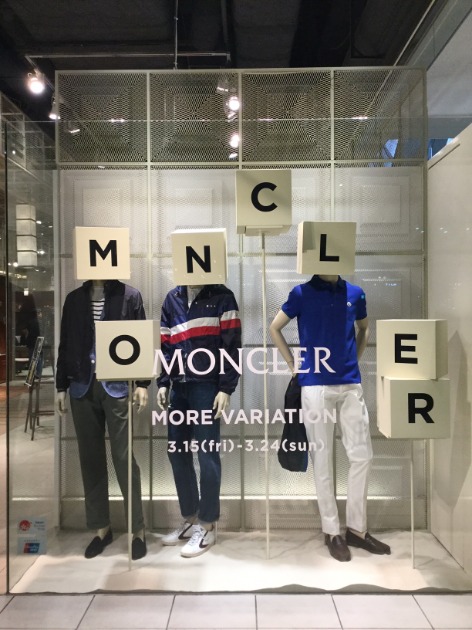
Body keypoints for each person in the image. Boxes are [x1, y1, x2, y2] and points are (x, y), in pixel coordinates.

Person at [270, 274, 391, 562]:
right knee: (322, 458)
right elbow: (275, 328)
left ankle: (357, 529)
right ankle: (332, 530)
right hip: (315, 384)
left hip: (349, 383)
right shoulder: (302, 293)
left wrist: (354, 360)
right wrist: (293, 366)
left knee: (362, 455)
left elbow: (365, 327)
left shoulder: (355, 292)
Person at [56, 279, 149, 560]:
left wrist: (142, 382)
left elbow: (140, 339)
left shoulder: (129, 296)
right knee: (90, 459)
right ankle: (101, 528)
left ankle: (137, 529)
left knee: (124, 458)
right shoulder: (74, 299)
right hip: (82, 385)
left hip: (117, 385)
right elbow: (65, 343)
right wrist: (61, 386)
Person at [156, 284, 241, 557]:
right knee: (176, 451)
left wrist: (226, 388)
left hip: (207, 386)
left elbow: (232, 344)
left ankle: (208, 524)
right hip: (178, 387)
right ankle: (191, 518)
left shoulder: (222, 295)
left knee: (207, 453)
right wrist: (163, 382)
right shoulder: (173, 298)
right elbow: (165, 343)